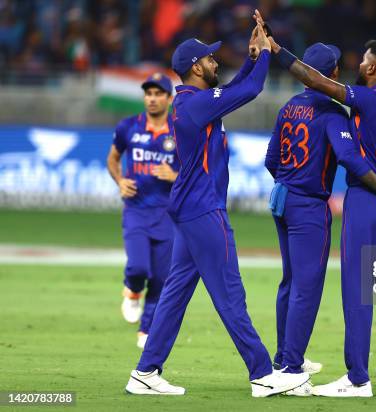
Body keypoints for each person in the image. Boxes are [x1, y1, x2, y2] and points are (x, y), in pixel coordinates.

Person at [124, 23, 309, 397]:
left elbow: (236, 87)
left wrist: (254, 56)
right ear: (196, 67)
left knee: (175, 293)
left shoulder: (194, 100)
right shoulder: (195, 104)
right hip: (204, 210)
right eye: (209, 57)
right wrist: (267, 56)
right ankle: (261, 373)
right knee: (229, 292)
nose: (214, 61)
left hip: (190, 208)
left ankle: (145, 372)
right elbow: (251, 89)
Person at [254, 10, 376, 398]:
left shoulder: (362, 99)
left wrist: (277, 50)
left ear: (375, 68)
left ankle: (358, 378)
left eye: (364, 59)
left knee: (355, 291)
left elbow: (314, 84)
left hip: (369, 199)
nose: (357, 63)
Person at [106, 72, 178, 349]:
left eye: (158, 93)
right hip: (136, 210)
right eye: (148, 93)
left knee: (161, 278)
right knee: (138, 267)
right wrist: (120, 180)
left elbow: (196, 168)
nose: (152, 99)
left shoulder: (179, 130)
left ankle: (147, 330)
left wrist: (174, 175)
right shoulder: (128, 127)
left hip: (168, 213)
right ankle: (133, 290)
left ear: (170, 99)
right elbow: (113, 159)